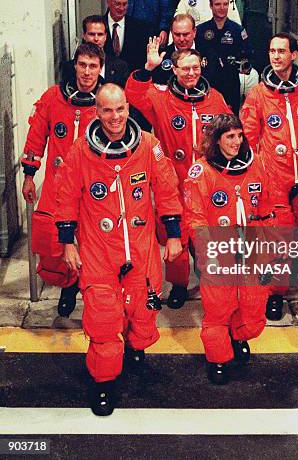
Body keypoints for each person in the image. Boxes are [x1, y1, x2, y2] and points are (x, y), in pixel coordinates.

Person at [54, 84, 182, 416]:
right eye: (108, 111)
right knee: (103, 319)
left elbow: (167, 190)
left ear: (128, 108)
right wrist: (68, 242)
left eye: (121, 109)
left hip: (140, 251)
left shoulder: (149, 146)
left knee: (144, 311)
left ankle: (136, 348)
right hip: (99, 252)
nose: (115, 117)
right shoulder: (81, 151)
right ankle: (103, 383)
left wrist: (172, 235)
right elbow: (65, 196)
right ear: (97, 113)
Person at [125, 41, 230, 309]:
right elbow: (134, 94)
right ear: (174, 70)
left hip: (208, 183)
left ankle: (210, 280)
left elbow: (231, 131)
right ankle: (180, 285)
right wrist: (148, 67)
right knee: (177, 237)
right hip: (173, 181)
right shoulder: (161, 98)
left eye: (195, 67)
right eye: (185, 69)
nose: (191, 73)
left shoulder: (215, 98)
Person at [240, 33, 298, 320]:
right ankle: (276, 294)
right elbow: (248, 139)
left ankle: (292, 273)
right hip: (274, 178)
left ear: (294, 55)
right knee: (278, 236)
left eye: (282, 51)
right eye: (271, 51)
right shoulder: (258, 94)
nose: (276, 56)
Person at [184, 114, 271, 384]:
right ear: (216, 139)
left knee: (252, 307)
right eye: (229, 136)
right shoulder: (201, 172)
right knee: (219, 309)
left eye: (239, 135)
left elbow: (268, 209)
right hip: (219, 252)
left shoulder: (256, 165)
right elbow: (195, 219)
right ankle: (218, 359)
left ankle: (238, 336)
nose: (236, 141)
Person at [21, 43, 104, 318]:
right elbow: (35, 138)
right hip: (59, 185)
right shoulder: (54, 98)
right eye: (82, 65)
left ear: (100, 68)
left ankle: (89, 290)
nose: (87, 72)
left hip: (95, 187)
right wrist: (30, 176)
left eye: (93, 66)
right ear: (75, 66)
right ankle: (68, 287)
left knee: (95, 244)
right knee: (55, 242)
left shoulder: (107, 100)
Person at [196, 0, 254, 114]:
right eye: (217, 4)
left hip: (230, 83)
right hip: (206, 83)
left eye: (225, 4)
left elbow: (248, 54)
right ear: (211, 6)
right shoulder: (200, 30)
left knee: (230, 119)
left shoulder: (237, 30)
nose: (222, 8)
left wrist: (244, 65)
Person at [61, 15, 129, 88]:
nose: (96, 39)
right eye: (92, 34)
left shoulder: (120, 67)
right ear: (84, 35)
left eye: (100, 34)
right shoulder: (69, 68)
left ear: (105, 36)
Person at [103, 0, 151, 73]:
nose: (121, 8)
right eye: (117, 4)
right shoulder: (98, 25)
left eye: (124, 4)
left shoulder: (140, 28)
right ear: (108, 3)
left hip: (131, 79)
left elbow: (142, 59)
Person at [150, 14, 197, 86]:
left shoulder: (207, 52)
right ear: (171, 32)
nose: (181, 39)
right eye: (177, 34)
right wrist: (149, 67)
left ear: (194, 32)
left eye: (186, 34)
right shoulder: (161, 57)